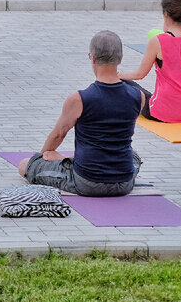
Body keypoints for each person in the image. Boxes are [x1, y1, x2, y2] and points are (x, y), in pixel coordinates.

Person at [18, 30, 143, 197]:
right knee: (133, 155)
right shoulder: (138, 96)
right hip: (124, 182)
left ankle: (66, 160)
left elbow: (58, 135)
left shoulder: (79, 99)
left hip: (88, 182)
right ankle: (70, 159)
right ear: (120, 58)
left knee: (24, 165)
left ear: (93, 58)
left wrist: (41, 158)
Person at [120, 0, 181, 123]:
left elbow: (140, 74)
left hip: (165, 112)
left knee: (124, 82)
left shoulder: (158, 41)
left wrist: (117, 74)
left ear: (166, 14)